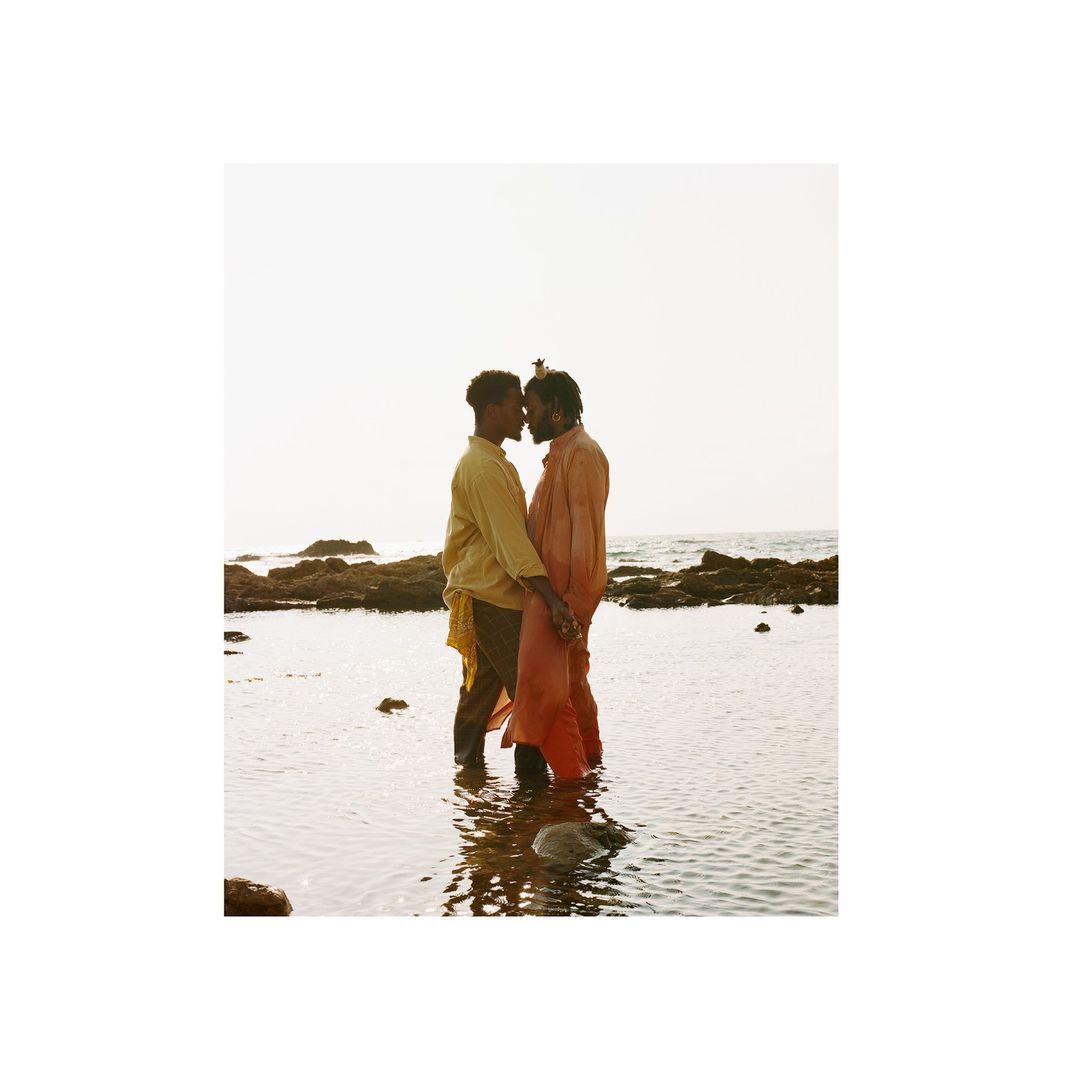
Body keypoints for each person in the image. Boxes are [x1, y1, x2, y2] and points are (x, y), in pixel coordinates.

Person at [442, 370, 579, 773]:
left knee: (480, 689)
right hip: (490, 597)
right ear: (492, 410)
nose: (523, 415)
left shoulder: (494, 463)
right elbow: (510, 543)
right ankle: (531, 786)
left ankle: (468, 779)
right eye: (516, 405)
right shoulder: (482, 468)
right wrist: (551, 599)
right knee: (530, 691)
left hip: (491, 592)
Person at [501, 360, 610, 780]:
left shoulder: (583, 454)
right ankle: (586, 783)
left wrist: (573, 607)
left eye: (532, 408)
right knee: (564, 689)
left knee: (553, 691)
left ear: (556, 409)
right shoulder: (558, 456)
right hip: (548, 603)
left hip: (561, 605)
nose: (526, 418)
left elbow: (587, 539)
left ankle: (573, 786)